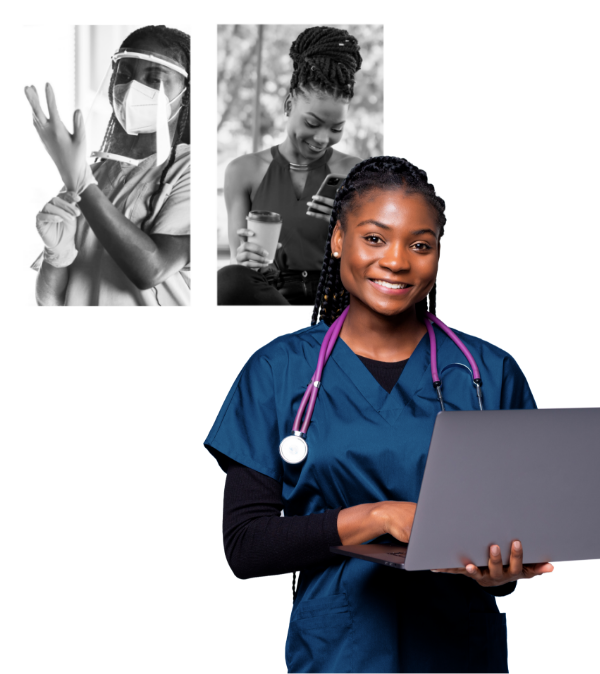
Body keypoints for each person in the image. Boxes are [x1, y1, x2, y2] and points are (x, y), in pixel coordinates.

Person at [204, 156, 554, 673]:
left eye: (420, 245)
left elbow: (529, 531)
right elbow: (248, 547)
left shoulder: (487, 373)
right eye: (374, 238)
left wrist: (505, 571)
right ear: (338, 240)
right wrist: (378, 517)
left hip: (461, 654)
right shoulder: (278, 370)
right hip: (338, 655)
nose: (397, 261)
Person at [25, 25, 191, 306]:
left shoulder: (189, 170)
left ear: (186, 94)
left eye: (154, 80)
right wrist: (56, 256)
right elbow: (49, 303)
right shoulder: (93, 174)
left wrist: (79, 180)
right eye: (124, 75)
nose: (132, 89)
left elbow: (152, 269)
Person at [218, 26, 364, 305]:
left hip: (336, 296)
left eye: (337, 128)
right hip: (273, 294)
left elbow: (372, 256)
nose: (322, 139)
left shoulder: (355, 171)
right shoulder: (243, 171)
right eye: (311, 123)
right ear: (288, 106)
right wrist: (249, 258)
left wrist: (349, 224)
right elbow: (242, 264)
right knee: (229, 279)